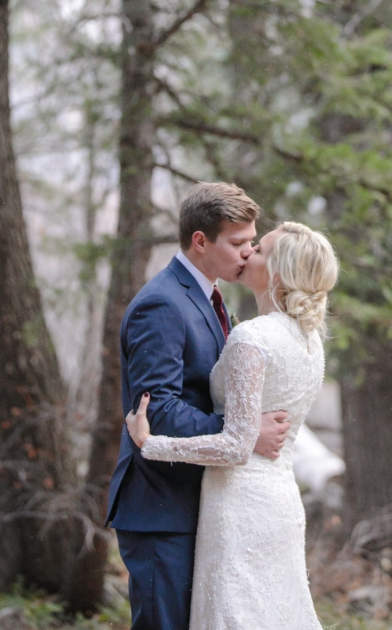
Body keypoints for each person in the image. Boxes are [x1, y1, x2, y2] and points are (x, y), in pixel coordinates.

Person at [126, 220, 339, 630]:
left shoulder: (252, 338)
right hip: (280, 500)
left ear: (277, 272)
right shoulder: (310, 341)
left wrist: (151, 443)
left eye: (258, 249)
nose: (248, 253)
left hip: (239, 500)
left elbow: (235, 447)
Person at [107, 182, 291, 630]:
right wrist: (244, 433)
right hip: (160, 507)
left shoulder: (211, 297)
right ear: (200, 240)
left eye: (252, 242)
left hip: (194, 502)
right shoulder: (161, 304)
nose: (247, 253)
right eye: (237, 243)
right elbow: (159, 411)